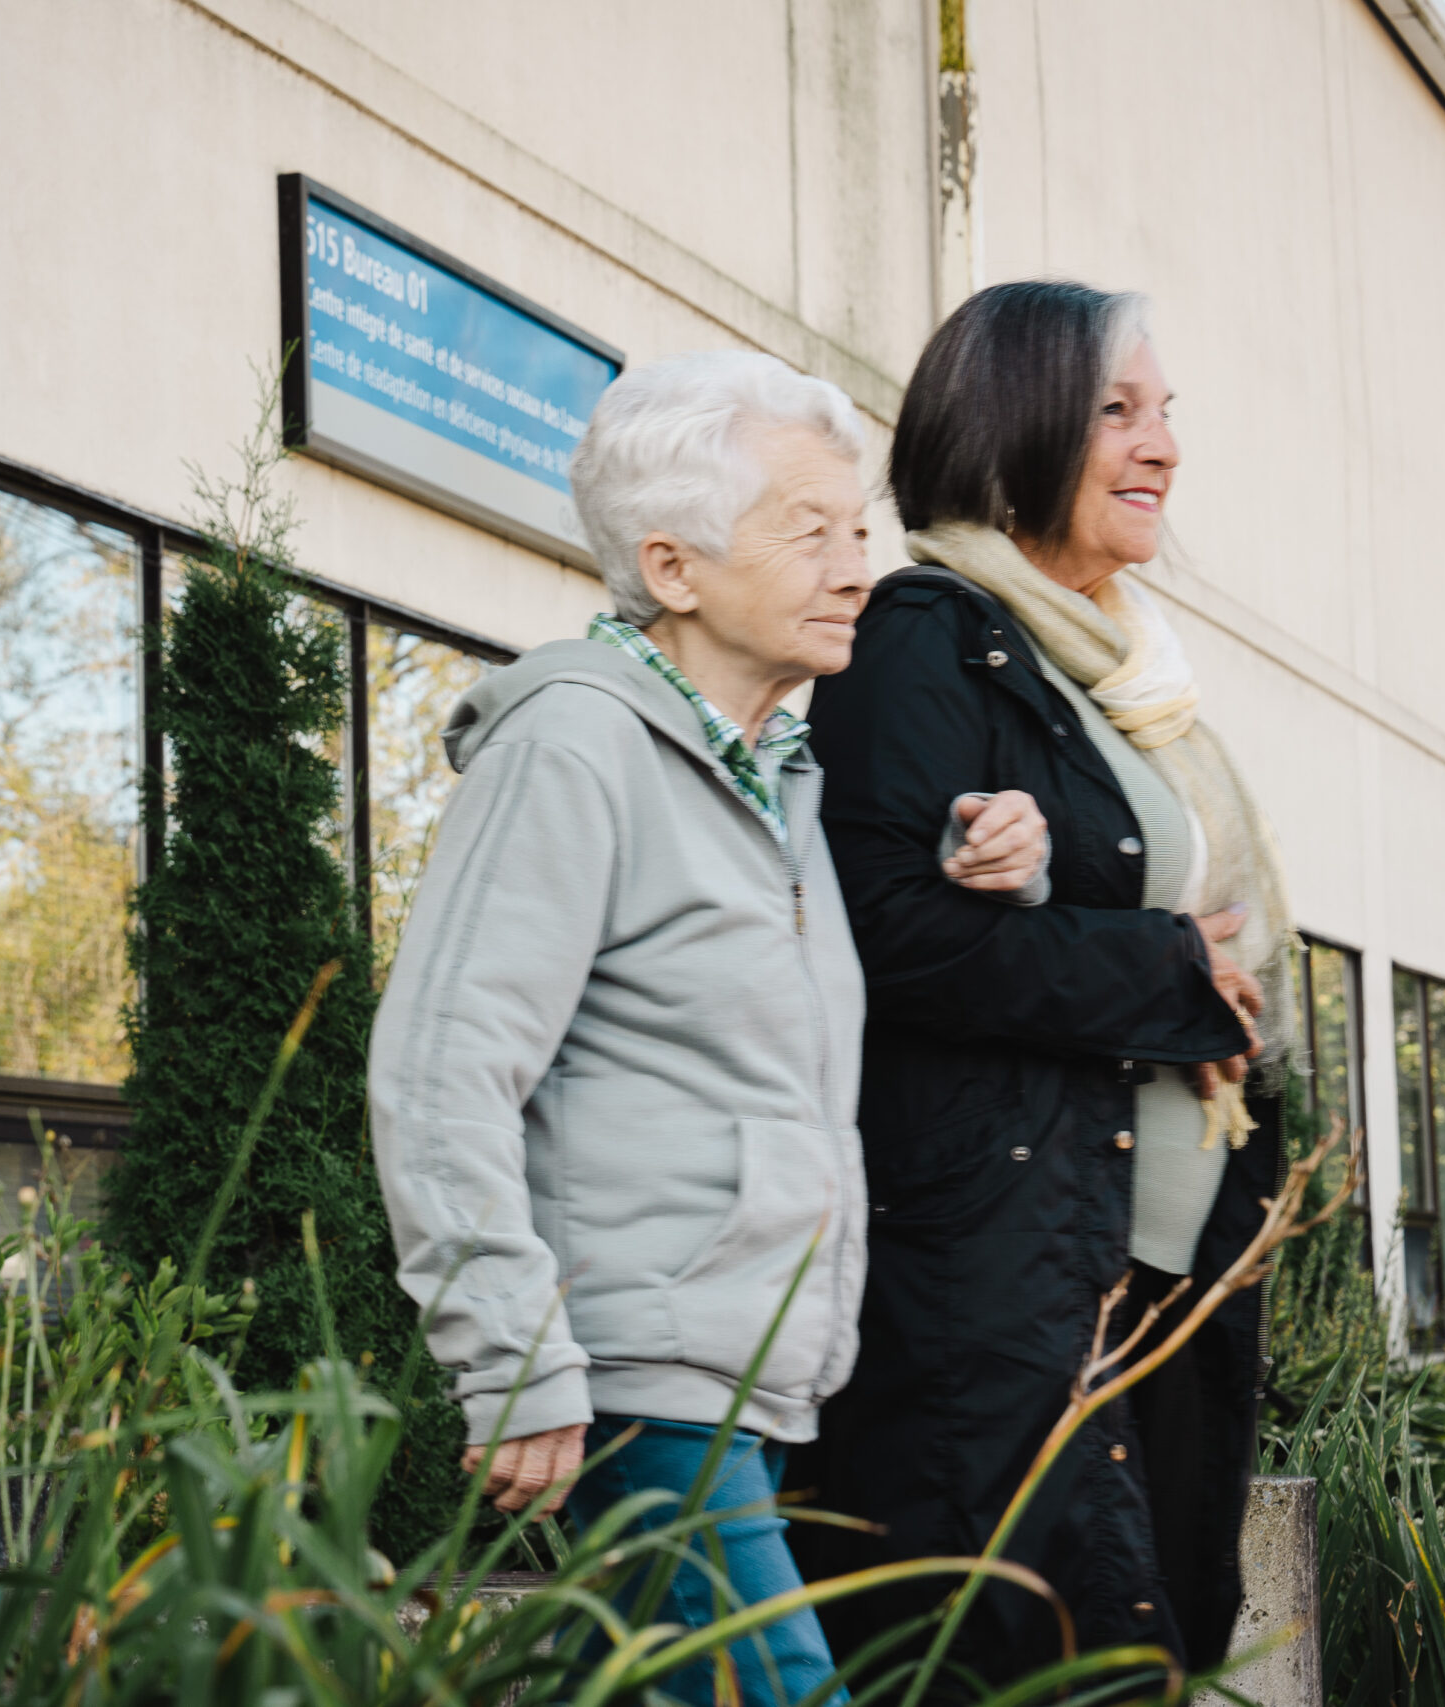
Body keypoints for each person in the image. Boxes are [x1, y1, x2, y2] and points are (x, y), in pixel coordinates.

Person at [367, 349, 1048, 1706]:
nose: (859, 567)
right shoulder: (576, 746)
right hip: (640, 1381)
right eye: (814, 533)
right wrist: (511, 1357)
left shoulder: (773, 777)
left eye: (859, 529)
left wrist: (993, 855)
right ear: (673, 567)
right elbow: (443, 1065)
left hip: (751, 1382)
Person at [789, 280, 1296, 1685]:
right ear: (1015, 428)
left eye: (1167, 413)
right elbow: (895, 936)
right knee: (1043, 1654)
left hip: (1155, 1247)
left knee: (1161, 1630)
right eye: (1118, 410)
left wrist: (1201, 986)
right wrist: (1175, 967)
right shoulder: (925, 636)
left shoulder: (1126, 674)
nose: (1162, 447)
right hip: (1006, 1261)